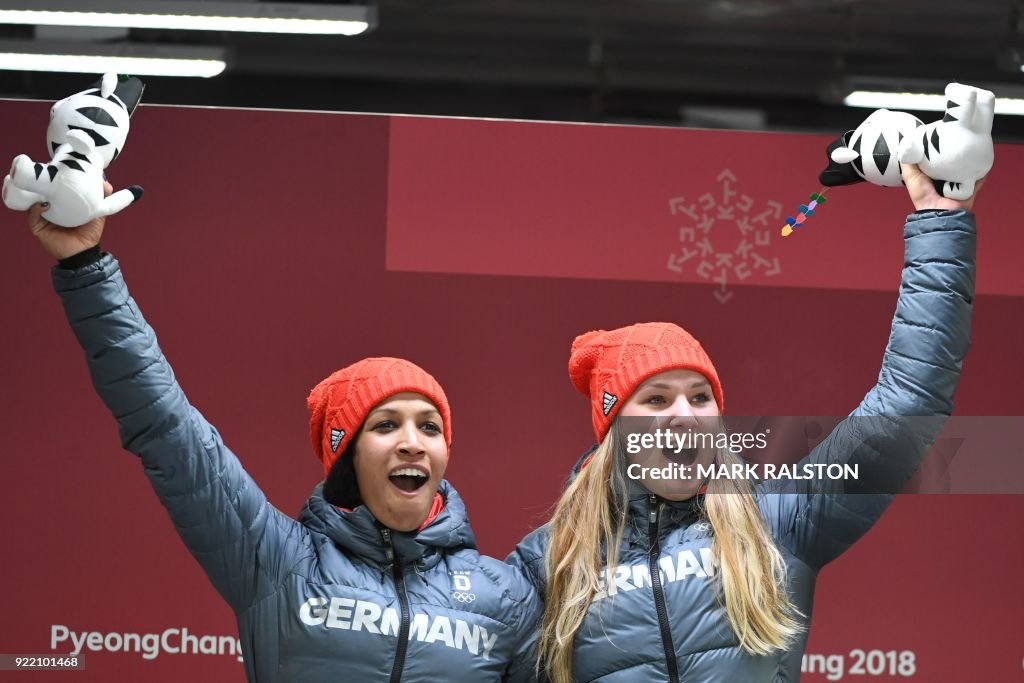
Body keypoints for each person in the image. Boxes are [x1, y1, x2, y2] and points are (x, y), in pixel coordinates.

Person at [27, 188, 540, 682]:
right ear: (346, 456)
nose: (413, 441)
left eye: (429, 426)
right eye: (385, 425)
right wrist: (84, 266)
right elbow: (166, 427)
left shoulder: (505, 595)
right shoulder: (278, 561)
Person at [509, 162, 981, 683]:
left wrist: (940, 223)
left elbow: (904, 409)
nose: (685, 415)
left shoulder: (776, 520)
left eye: (701, 396)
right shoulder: (547, 562)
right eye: (657, 399)